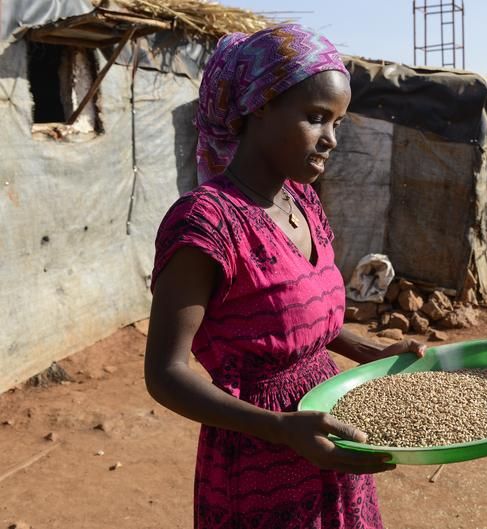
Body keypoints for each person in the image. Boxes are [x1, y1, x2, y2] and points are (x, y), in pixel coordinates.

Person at [144, 24, 425, 529]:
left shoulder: (303, 204)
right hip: (260, 458)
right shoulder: (206, 223)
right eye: (316, 118)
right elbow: (166, 375)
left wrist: (369, 352)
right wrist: (280, 428)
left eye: (337, 122)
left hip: (327, 430)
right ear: (258, 107)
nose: (331, 140)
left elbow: (301, 321)